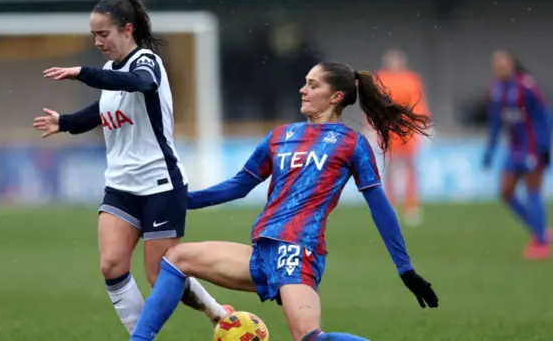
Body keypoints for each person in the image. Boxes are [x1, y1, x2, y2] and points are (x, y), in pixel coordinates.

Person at [130, 62, 439, 341]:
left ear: (335, 97)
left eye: (313, 85)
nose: (303, 89)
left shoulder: (351, 143)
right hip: (262, 252)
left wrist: (405, 269)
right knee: (176, 259)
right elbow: (237, 187)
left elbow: (379, 206)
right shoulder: (281, 135)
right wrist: (177, 202)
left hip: (298, 251)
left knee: (309, 338)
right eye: (305, 82)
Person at [32, 0, 229, 335]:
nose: (97, 42)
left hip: (159, 184)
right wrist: (64, 122)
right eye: (93, 35)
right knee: (111, 265)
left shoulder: (146, 63)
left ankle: (217, 312)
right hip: (121, 186)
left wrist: (83, 72)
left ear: (127, 30)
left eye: (103, 34)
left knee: (160, 276)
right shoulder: (110, 70)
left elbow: (139, 84)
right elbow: (103, 109)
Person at [483, 49, 551, 260]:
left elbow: (544, 115)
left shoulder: (526, 86)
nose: (500, 68)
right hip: (513, 149)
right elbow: (495, 122)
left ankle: (540, 243)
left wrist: (545, 146)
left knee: (532, 192)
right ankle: (539, 229)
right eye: (496, 65)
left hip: (532, 147)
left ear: (512, 65)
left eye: (503, 64)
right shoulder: (496, 90)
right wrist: (490, 150)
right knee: (506, 192)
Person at [370, 49, 431, 226]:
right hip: (388, 128)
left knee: (410, 165)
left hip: (407, 128)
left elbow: (418, 102)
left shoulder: (412, 79)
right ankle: (390, 203)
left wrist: (423, 124)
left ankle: (411, 204)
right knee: (389, 167)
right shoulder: (380, 78)